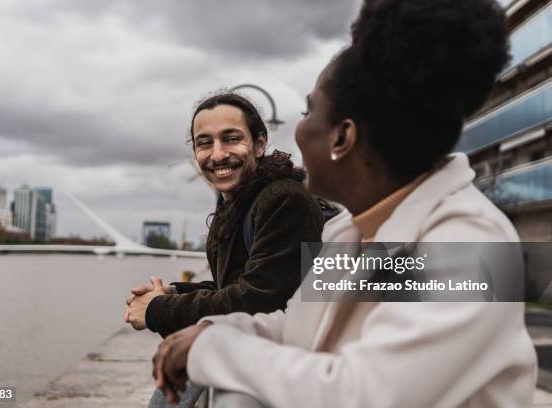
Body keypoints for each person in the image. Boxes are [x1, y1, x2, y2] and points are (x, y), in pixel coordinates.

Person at [150, 0, 538, 406]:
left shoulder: (471, 245)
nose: (299, 130)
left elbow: (363, 394)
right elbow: (299, 329)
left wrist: (212, 350)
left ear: (341, 137)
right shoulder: (347, 233)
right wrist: (210, 331)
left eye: (308, 111)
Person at [125, 93, 325, 406]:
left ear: (259, 144)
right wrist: (175, 292)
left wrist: (157, 310)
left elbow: (259, 300)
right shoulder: (240, 200)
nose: (217, 155)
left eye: (231, 139)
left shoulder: (283, 199)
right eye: (204, 143)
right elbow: (234, 285)